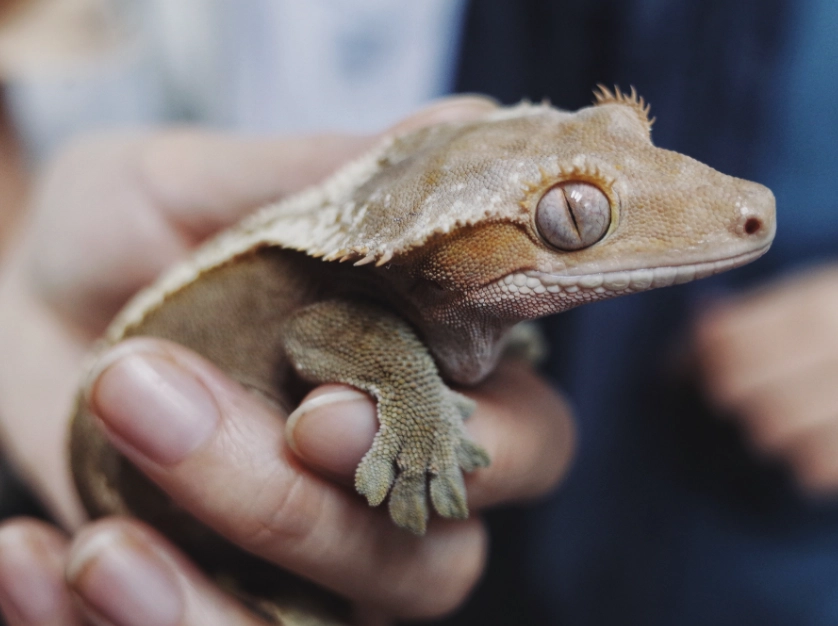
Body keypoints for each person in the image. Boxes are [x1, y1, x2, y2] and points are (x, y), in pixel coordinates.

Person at [0, 1, 837, 625]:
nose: (743, 209)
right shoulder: (361, 283)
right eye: (577, 219)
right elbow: (317, 330)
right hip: (113, 486)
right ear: (444, 259)